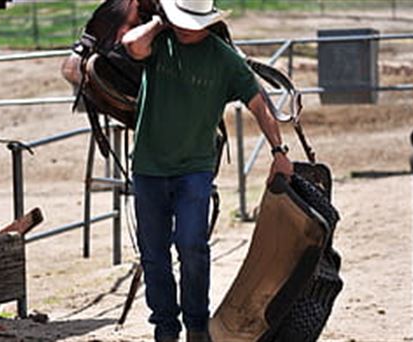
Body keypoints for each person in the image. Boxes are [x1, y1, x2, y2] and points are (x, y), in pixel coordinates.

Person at [122, 1, 293, 341]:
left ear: (208, 22)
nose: (185, 27)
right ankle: (165, 328)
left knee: (192, 246)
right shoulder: (159, 43)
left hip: (194, 170)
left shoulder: (225, 59)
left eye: (192, 21)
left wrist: (279, 151)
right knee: (153, 253)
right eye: (181, 19)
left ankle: (197, 325)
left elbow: (259, 105)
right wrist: (160, 23)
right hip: (148, 167)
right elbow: (132, 45)